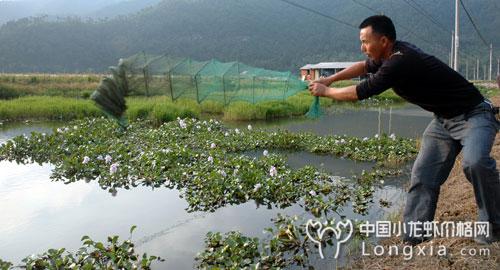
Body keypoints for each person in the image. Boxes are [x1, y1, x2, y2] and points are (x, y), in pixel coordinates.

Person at [309, 15, 500, 245]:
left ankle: (494, 226)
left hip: (474, 115)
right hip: (443, 121)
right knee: (422, 174)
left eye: (365, 42)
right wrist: (331, 80)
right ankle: (415, 237)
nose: (362, 48)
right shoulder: (387, 56)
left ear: (383, 41)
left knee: (475, 162)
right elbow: (362, 68)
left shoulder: (400, 61)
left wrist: (325, 92)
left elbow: (360, 92)